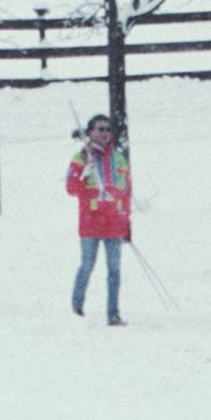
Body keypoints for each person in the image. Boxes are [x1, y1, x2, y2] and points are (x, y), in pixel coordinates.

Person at [65, 111, 135, 323]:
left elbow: (126, 191)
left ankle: (113, 313)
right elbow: (71, 188)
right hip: (91, 221)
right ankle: (77, 307)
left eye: (107, 129)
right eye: (100, 129)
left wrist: (127, 221)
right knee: (87, 264)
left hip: (113, 222)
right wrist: (83, 173)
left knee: (114, 270)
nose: (104, 133)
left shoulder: (119, 159)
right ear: (91, 132)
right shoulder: (81, 158)